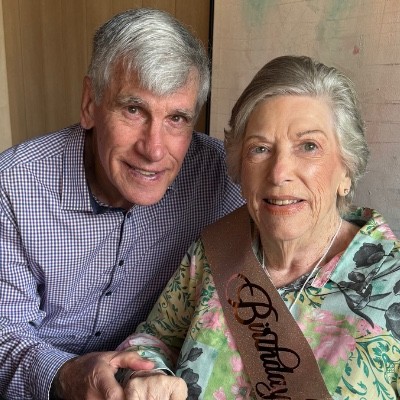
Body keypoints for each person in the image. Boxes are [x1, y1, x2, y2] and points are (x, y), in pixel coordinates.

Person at [115, 55, 400, 399]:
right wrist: (150, 374)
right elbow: (153, 339)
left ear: (347, 170)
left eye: (308, 146)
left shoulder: (391, 286)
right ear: (240, 167)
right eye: (260, 149)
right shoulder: (215, 251)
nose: (279, 173)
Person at [0, 8, 244, 400]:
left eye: (177, 118)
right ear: (89, 103)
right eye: (134, 110)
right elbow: (3, 334)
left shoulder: (221, 177)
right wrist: (66, 375)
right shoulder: (14, 187)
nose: (154, 150)